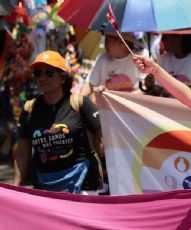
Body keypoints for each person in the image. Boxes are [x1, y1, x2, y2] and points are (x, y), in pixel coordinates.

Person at [13, 51, 103, 194]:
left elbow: (108, 136)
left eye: (49, 73)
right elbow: (23, 154)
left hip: (83, 187)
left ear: (62, 77)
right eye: (38, 73)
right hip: (45, 190)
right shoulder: (29, 109)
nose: (42, 78)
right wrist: (15, 190)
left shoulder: (80, 104)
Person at [80, 32, 148, 96]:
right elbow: (90, 83)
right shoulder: (102, 58)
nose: (104, 43)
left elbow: (145, 89)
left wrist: (120, 99)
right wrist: (79, 99)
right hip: (105, 106)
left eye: (107, 40)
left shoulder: (141, 57)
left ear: (120, 41)